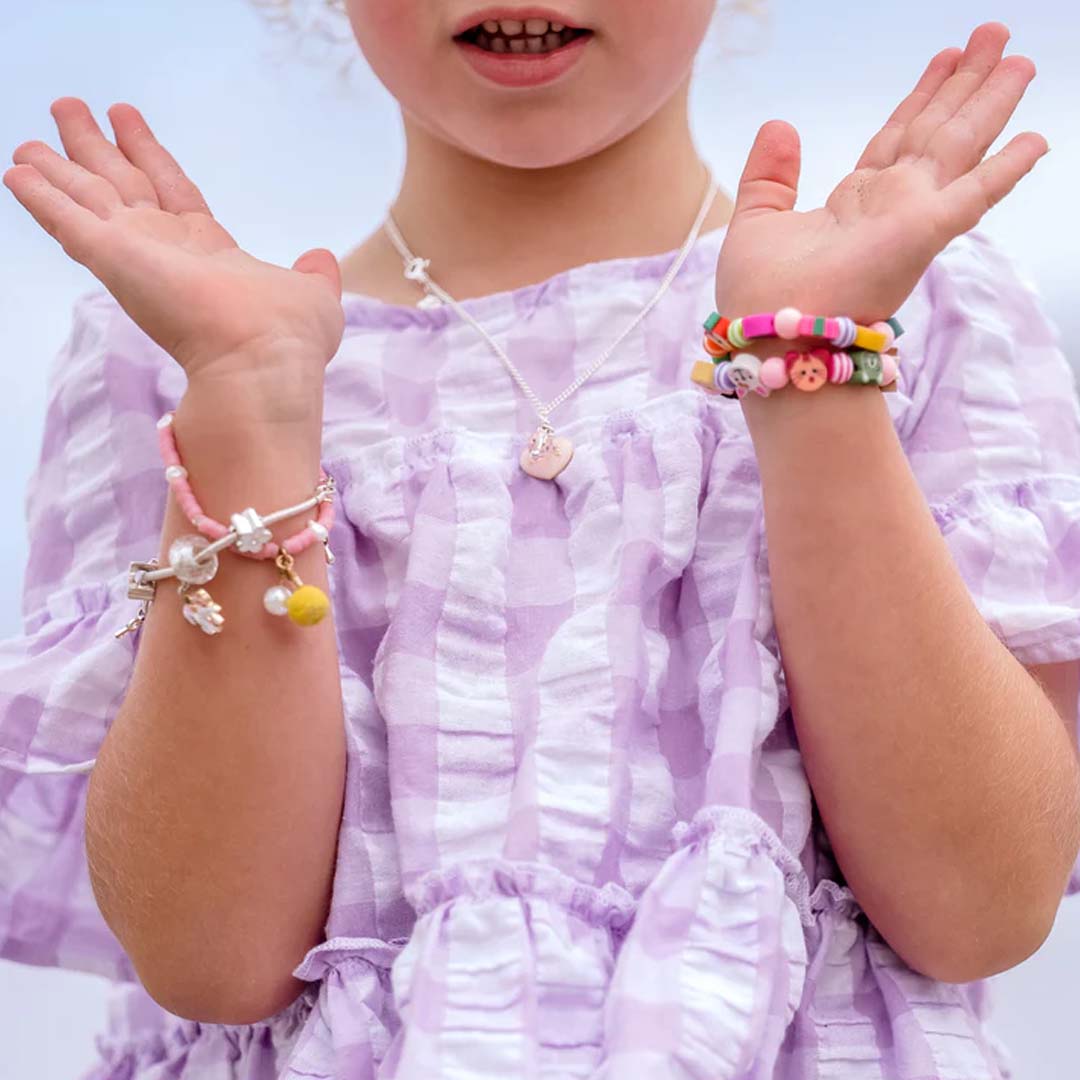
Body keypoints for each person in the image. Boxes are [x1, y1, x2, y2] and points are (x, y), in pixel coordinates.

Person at [2, 3, 1079, 1077]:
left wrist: (808, 368)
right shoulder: (177, 350)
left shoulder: (910, 307)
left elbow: (978, 906)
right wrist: (248, 402)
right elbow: (216, 956)